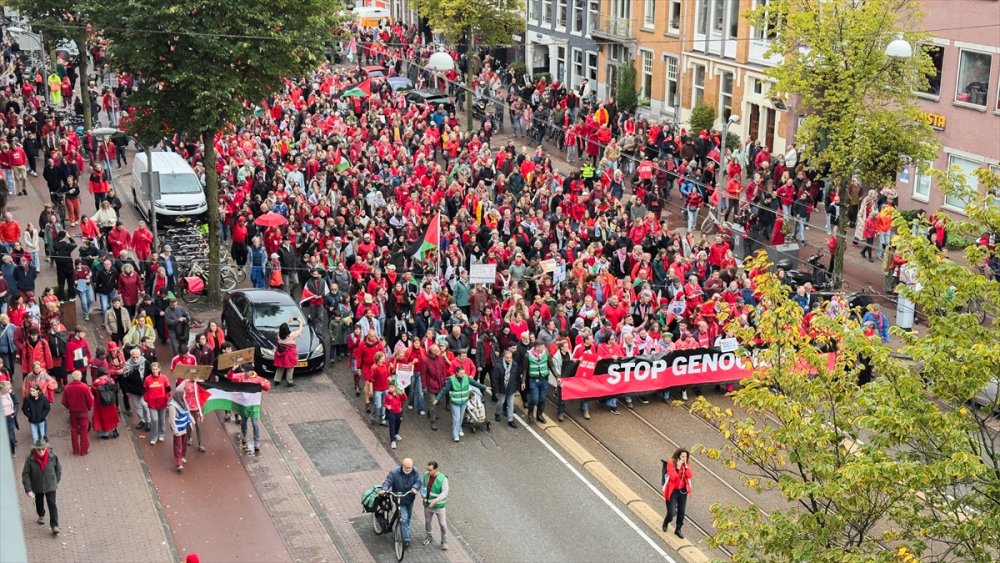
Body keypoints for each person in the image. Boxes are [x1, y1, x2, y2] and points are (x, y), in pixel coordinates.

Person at [432, 366, 487, 443]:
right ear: (456, 373)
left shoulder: (466, 378)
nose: (463, 375)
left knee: (461, 417)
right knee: (456, 418)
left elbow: (474, 383)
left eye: (464, 373)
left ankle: (459, 429)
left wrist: (484, 387)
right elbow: (444, 390)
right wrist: (437, 399)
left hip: (464, 401)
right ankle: (455, 435)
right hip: (455, 402)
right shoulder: (451, 380)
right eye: (461, 373)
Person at [22, 438, 62, 535]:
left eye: (43, 449)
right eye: (39, 449)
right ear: (35, 449)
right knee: (39, 501)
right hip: (37, 485)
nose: (41, 451)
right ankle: (41, 514)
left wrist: (55, 481)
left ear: (46, 448)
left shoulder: (53, 457)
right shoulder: (30, 460)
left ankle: (54, 525)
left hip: (50, 485)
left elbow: (58, 469)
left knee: (52, 504)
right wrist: (28, 489)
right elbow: (26, 474)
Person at [381, 457, 421, 548]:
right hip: (399, 498)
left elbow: (418, 481)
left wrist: (415, 488)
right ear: (402, 465)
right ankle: (406, 538)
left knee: (409, 517)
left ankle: (404, 530)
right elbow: (388, 481)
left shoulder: (416, 471)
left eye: (409, 467)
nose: (408, 469)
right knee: (404, 517)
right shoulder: (394, 472)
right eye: (406, 467)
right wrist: (384, 489)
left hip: (410, 498)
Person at [662, 447, 693, 539]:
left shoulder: (686, 464)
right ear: (678, 456)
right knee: (672, 512)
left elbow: (690, 475)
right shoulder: (671, 462)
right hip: (672, 491)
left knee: (681, 512)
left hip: (682, 491)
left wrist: (686, 468)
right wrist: (678, 468)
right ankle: (667, 521)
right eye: (682, 456)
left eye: (686, 456)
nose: (684, 458)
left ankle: (678, 529)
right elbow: (672, 477)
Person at [61, 370, 94, 456]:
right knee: (84, 431)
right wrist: (88, 408)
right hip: (83, 412)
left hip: (73, 413)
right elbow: (90, 400)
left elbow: (64, 402)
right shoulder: (85, 387)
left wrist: (70, 407)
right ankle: (84, 450)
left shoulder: (67, 388)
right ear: (80, 377)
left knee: (74, 430)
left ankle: (75, 450)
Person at [420, 460, 449, 551]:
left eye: (430, 470)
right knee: (428, 521)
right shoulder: (425, 475)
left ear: (435, 469)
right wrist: (423, 494)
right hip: (428, 505)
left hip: (439, 506)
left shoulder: (443, 479)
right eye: (427, 469)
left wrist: (436, 500)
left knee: (443, 524)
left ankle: (444, 541)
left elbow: (445, 492)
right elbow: (424, 486)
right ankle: (429, 536)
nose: (428, 472)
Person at [491, 348, 520, 428]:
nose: (509, 359)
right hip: (502, 388)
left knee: (510, 404)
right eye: (507, 358)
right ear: (504, 357)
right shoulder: (498, 366)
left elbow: (517, 376)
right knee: (501, 402)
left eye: (510, 358)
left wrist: (517, 386)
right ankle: (497, 413)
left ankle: (510, 420)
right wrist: (496, 391)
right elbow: (495, 379)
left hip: (511, 387)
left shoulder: (514, 365)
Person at [272, 316, 304, 386]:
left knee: (280, 366)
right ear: (287, 329)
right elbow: (300, 330)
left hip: (280, 352)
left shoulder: (278, 335)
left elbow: (283, 328)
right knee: (290, 367)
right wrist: (300, 322)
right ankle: (289, 382)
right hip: (289, 353)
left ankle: (277, 380)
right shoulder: (292, 335)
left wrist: (289, 321)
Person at [168, 382, 193, 471]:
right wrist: (175, 431)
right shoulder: (172, 406)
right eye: (184, 394)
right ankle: (178, 463)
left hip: (184, 427)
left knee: (184, 443)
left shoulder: (184, 402)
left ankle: (182, 456)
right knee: (178, 445)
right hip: (178, 429)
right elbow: (171, 420)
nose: (185, 395)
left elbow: (187, 413)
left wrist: (191, 422)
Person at [143, 362, 170, 445]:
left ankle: (161, 434)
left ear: (159, 369)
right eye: (153, 369)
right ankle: (154, 436)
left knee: (161, 420)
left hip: (162, 403)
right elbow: (145, 390)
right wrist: (146, 399)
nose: (155, 371)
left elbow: (168, 389)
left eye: (156, 369)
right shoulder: (147, 379)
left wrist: (166, 398)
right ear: (151, 369)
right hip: (152, 403)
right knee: (154, 420)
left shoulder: (164, 378)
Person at [91, 369, 121, 439]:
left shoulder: (96, 382)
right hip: (111, 401)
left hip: (101, 403)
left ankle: (105, 434)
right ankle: (114, 430)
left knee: (103, 417)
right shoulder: (110, 379)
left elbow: (92, 391)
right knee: (112, 416)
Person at [385, 382, 406, 449]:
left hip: (399, 412)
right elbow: (385, 403)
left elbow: (404, 399)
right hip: (391, 413)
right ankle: (393, 441)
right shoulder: (387, 395)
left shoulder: (399, 394)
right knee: (392, 426)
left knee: (398, 424)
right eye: (389, 387)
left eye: (392, 387)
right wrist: (387, 406)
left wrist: (403, 393)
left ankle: (396, 433)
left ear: (396, 388)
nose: (390, 388)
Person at [1, 380, 18, 455]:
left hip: (10, 418)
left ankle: (12, 451)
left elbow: (16, 403)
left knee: (11, 436)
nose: (10, 390)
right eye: (8, 389)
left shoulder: (10, 394)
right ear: (3, 389)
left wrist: (14, 413)